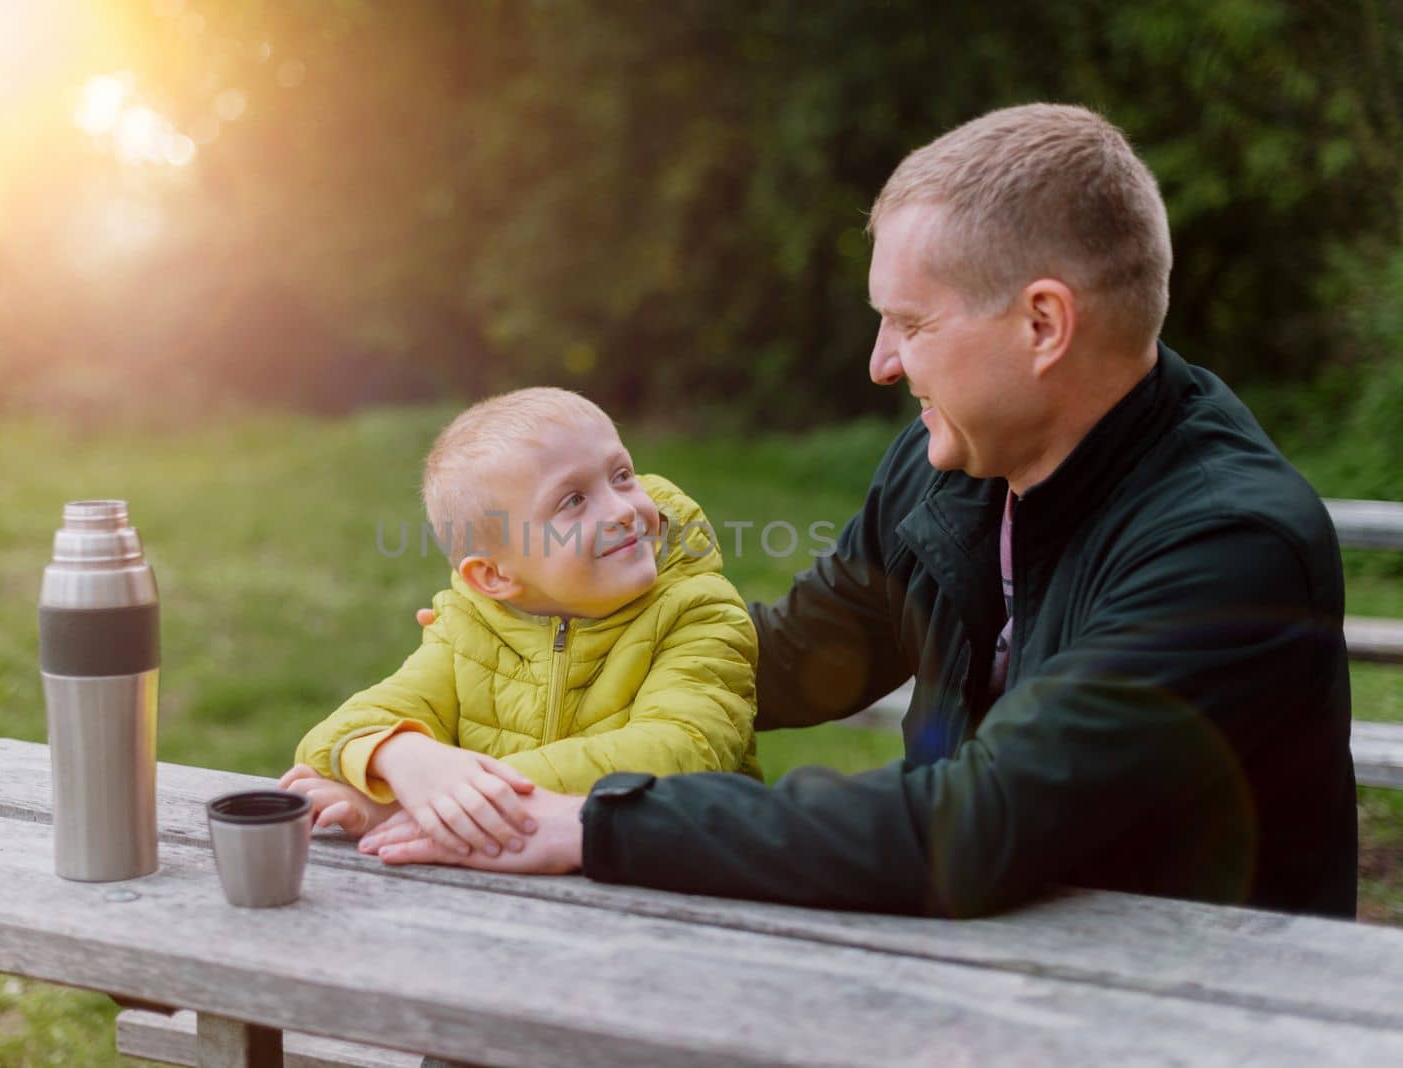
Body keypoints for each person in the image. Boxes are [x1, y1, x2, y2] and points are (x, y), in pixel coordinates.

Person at [359, 103, 1359, 919]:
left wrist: (592, 825)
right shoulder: (948, 466)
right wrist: (541, 654)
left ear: (1043, 324)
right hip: (983, 962)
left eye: (910, 324)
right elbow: (791, 658)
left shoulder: (1226, 546)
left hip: (1184, 1009)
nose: (881, 362)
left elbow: (982, 822)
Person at [279, 387, 761, 860]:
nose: (621, 510)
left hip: (685, 882)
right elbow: (333, 737)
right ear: (493, 576)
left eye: (620, 475)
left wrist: (447, 801)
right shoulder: (469, 627)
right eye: (572, 501)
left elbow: (680, 752)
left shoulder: (701, 613)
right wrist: (406, 762)